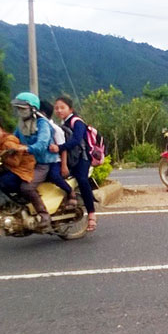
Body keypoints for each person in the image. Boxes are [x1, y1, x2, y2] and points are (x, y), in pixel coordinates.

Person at [12, 92, 61, 229]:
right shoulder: (21, 124)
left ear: (33, 108)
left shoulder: (42, 123)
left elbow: (42, 145)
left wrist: (26, 149)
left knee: (26, 187)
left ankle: (44, 214)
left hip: (42, 163)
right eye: (18, 108)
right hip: (27, 162)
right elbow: (13, 139)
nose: (20, 111)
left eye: (23, 108)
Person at [49, 95, 99, 232]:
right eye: (57, 108)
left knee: (82, 180)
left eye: (62, 107)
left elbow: (76, 140)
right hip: (71, 159)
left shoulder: (77, 122)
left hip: (82, 158)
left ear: (70, 109)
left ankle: (91, 214)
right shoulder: (61, 124)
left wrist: (59, 148)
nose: (59, 110)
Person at [0, 113, 42, 213]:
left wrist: (0, 155)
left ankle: (20, 200)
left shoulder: (8, 143)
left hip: (22, 169)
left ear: (3, 131)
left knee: (4, 182)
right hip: (8, 168)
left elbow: (15, 162)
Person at [38, 99, 76, 210]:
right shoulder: (37, 127)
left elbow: (62, 148)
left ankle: (70, 191)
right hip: (43, 160)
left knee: (54, 176)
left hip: (56, 161)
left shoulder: (55, 129)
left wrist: (64, 166)